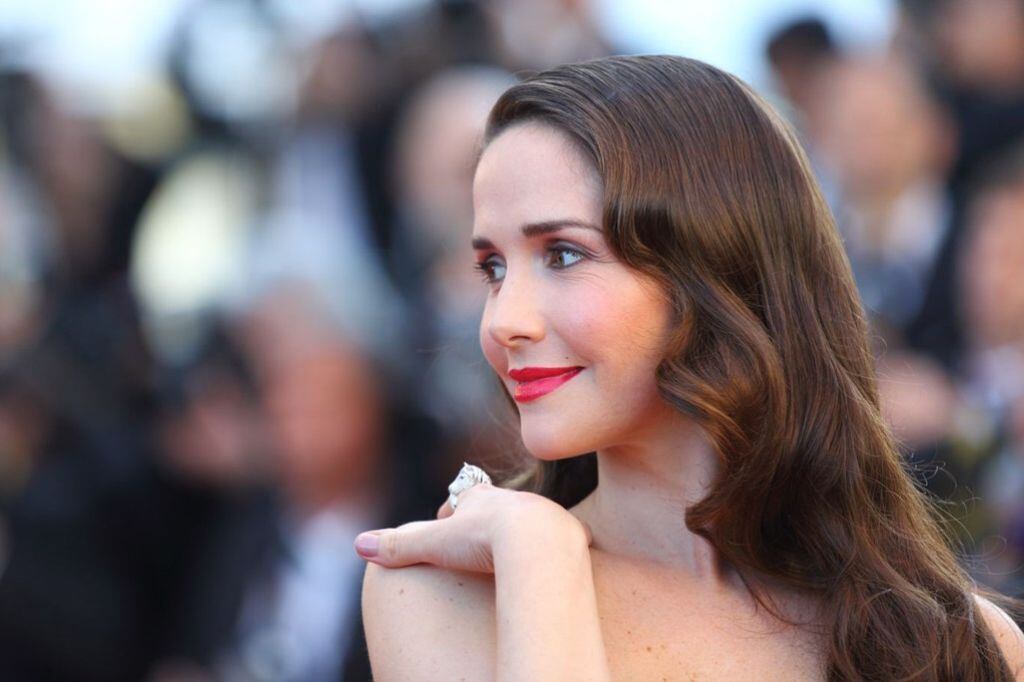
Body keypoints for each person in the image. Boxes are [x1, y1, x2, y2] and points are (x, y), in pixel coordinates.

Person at [354, 55, 1024, 680]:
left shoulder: (958, 644)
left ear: (716, 268)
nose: (503, 321)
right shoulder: (441, 591)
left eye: (562, 254)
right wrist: (539, 557)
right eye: (493, 269)